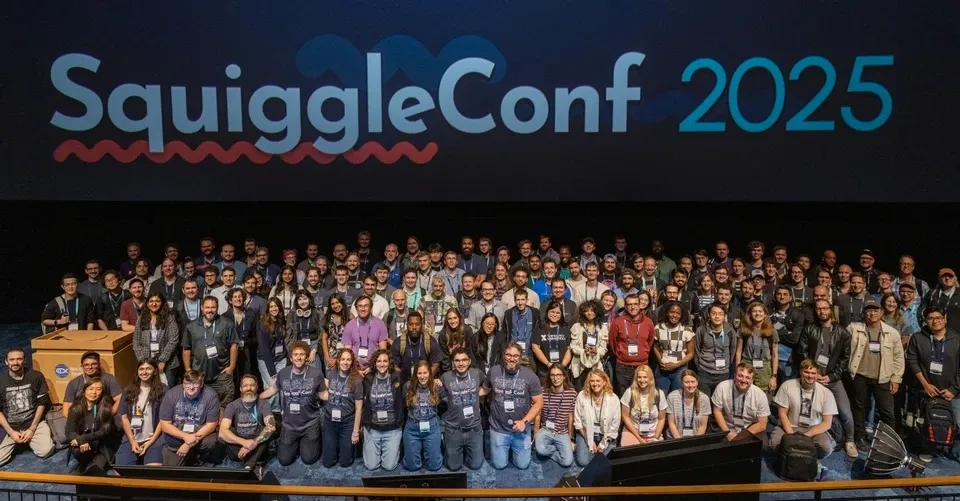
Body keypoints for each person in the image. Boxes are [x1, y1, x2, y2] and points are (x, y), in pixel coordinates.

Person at [796, 299, 857, 458]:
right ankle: (804, 437)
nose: (822, 311)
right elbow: (802, 352)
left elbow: (845, 359)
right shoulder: (809, 329)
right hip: (811, 379)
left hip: (832, 379)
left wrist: (832, 376)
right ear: (815, 311)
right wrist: (811, 374)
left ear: (830, 310)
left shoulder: (842, 332)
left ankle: (850, 441)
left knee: (845, 412)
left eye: (825, 308)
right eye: (819, 309)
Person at [847, 297, 904, 451]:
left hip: (883, 377)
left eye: (875, 310)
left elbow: (898, 357)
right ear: (864, 312)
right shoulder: (853, 328)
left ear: (881, 312)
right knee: (859, 407)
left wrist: (896, 378)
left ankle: (887, 441)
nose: (872, 313)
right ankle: (859, 437)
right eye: (869, 310)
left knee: (887, 412)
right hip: (859, 375)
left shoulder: (892, 333)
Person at [259, 341, 326, 466]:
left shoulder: (316, 373)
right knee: (284, 461)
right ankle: (298, 443)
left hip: (310, 424)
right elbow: (274, 389)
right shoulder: (283, 373)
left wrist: (340, 395)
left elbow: (323, 394)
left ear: (306, 356)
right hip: (290, 425)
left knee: (309, 459)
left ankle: (308, 442)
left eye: (301, 354)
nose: (299, 357)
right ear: (290, 358)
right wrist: (258, 397)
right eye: (295, 354)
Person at [905, 306, 960, 457]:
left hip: (952, 392)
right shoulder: (918, 337)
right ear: (925, 321)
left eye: (938, 318)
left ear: (945, 319)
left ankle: (955, 452)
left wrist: (954, 389)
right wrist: (925, 384)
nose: (935, 321)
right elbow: (912, 360)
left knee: (956, 423)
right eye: (930, 318)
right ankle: (927, 449)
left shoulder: (956, 340)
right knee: (925, 422)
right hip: (927, 390)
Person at [483, 342, 544, 470]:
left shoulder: (530, 376)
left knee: (523, 465)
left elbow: (539, 402)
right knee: (499, 465)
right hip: (499, 429)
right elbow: (484, 391)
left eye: (515, 356)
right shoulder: (494, 371)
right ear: (504, 356)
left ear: (520, 357)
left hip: (521, 430)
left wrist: (524, 421)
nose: (512, 358)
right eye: (508, 355)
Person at [770, 359, 838, 460]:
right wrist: (792, 437)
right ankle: (788, 459)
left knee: (826, 448)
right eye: (806, 372)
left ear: (817, 374)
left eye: (813, 373)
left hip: (813, 430)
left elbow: (827, 423)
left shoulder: (826, 393)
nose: (810, 376)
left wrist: (805, 437)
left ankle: (809, 459)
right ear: (801, 371)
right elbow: (782, 415)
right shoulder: (787, 386)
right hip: (790, 426)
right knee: (774, 445)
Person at [0, 347, 55, 467]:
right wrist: (11, 432)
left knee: (46, 451)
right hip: (10, 427)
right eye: (12, 359)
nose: (15, 362)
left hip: (33, 423)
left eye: (19, 359)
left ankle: (27, 440)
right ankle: (20, 441)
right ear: (6, 362)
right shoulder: (1, 381)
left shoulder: (36, 376)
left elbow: (42, 403)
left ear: (24, 360)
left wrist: (32, 429)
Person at [182, 296, 239, 407]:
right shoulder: (191, 326)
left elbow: (234, 345)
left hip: (222, 373)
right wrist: (188, 369)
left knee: (224, 403)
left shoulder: (227, 324)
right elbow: (186, 348)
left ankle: (222, 424)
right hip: (199, 373)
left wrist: (232, 367)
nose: (210, 310)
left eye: (213, 307)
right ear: (202, 308)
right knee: (199, 404)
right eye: (207, 307)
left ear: (217, 308)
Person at [157, 369, 222, 466]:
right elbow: (165, 424)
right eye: (187, 383)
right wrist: (185, 437)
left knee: (212, 441)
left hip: (199, 435)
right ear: (183, 384)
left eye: (195, 383)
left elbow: (211, 425)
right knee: (170, 472)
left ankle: (198, 456)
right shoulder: (171, 394)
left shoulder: (211, 395)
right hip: (177, 437)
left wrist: (188, 444)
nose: (191, 387)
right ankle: (189, 456)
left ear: (201, 383)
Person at [439, 348, 488, 471]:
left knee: (476, 465)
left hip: (474, 429)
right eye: (457, 361)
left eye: (464, 360)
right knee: (453, 467)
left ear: (469, 361)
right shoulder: (446, 377)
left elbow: (488, 386)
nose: (461, 364)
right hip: (453, 429)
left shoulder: (477, 373)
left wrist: (475, 395)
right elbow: (437, 393)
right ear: (453, 362)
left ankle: (467, 453)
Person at [115, 359, 166, 466]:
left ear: (155, 371)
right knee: (121, 472)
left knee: (153, 472)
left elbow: (163, 420)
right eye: (141, 369)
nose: (144, 372)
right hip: (131, 439)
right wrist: (132, 441)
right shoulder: (128, 390)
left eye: (148, 369)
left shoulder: (163, 390)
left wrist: (151, 442)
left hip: (154, 440)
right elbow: (124, 417)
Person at [218, 374, 275, 469]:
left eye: (252, 385)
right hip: (238, 446)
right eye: (245, 385)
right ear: (240, 389)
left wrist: (253, 443)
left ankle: (249, 465)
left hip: (256, 445)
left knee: (266, 430)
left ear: (257, 387)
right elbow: (222, 432)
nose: (249, 388)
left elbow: (271, 427)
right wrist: (244, 443)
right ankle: (253, 463)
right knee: (227, 431)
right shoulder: (232, 405)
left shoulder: (264, 404)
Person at [361, 349, 405, 471]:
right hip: (372, 428)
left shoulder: (397, 377)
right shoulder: (368, 378)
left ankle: (394, 446)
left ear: (389, 362)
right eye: (379, 361)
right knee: (371, 466)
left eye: (385, 361)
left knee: (389, 466)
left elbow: (413, 384)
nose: (382, 364)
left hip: (392, 428)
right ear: (374, 363)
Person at [65, 378, 118, 475]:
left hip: (100, 447)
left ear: (102, 392)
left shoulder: (105, 408)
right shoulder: (75, 409)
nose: (94, 392)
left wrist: (84, 438)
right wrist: (81, 441)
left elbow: (104, 431)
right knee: (81, 466)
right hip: (81, 447)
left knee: (99, 470)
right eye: (90, 389)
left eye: (98, 389)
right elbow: (69, 432)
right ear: (84, 390)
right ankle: (83, 469)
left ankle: (85, 469)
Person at [322, 348, 364, 468]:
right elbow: (329, 393)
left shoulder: (357, 380)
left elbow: (359, 409)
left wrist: (355, 432)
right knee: (328, 463)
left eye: (348, 360)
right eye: (343, 359)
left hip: (347, 421)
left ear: (352, 362)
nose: (345, 362)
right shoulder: (332, 374)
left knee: (345, 462)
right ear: (338, 360)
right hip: (330, 419)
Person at [711, 363, 771, 446]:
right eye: (740, 376)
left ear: (752, 380)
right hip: (727, 426)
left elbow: (762, 424)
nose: (743, 380)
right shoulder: (722, 387)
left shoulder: (760, 395)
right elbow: (717, 411)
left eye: (747, 377)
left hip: (749, 428)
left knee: (763, 445)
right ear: (735, 375)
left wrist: (739, 438)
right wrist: (727, 433)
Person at [402, 360, 445, 471]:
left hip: (432, 427)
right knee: (412, 467)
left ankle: (433, 453)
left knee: (434, 466)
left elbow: (445, 403)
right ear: (415, 374)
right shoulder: (408, 386)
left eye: (425, 373)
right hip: (412, 428)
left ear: (430, 373)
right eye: (419, 373)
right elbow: (403, 404)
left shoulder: (437, 386)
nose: (422, 376)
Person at [574, 368, 621, 466]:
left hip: (606, 435)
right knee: (583, 462)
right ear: (589, 382)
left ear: (604, 382)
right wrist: (589, 441)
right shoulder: (581, 396)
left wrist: (603, 444)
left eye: (598, 381)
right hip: (585, 433)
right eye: (592, 381)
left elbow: (615, 425)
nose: (595, 384)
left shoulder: (613, 398)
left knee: (603, 462)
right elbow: (578, 421)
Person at [534, 363, 577, 467]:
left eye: (558, 375)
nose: (555, 378)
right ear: (549, 377)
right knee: (540, 450)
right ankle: (554, 449)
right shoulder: (542, 391)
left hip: (562, 432)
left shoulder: (571, 393)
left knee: (567, 462)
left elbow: (570, 417)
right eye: (553, 375)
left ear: (563, 377)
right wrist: (535, 434)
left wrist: (571, 438)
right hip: (545, 429)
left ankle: (555, 449)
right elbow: (538, 414)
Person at [133, 293, 180, 386]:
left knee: (168, 391)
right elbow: (136, 341)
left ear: (162, 303)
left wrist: (163, 360)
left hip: (168, 364)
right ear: (147, 303)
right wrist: (144, 361)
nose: (154, 304)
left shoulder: (169, 318)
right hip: (147, 362)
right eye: (151, 301)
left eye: (157, 301)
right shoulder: (141, 319)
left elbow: (173, 339)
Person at [736, 302, 780, 393]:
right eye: (754, 311)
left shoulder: (772, 330)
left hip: (765, 368)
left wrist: (774, 376)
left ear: (765, 314)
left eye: (760, 311)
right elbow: (738, 351)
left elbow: (775, 355)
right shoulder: (743, 329)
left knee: (763, 399)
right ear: (750, 314)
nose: (757, 314)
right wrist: (737, 370)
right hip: (746, 365)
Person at [62, 351, 123, 416]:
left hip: (104, 416)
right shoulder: (74, 383)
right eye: (86, 365)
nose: (90, 367)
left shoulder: (109, 379)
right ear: (82, 366)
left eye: (94, 364)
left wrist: (109, 414)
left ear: (99, 365)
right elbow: (66, 409)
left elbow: (119, 398)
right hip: (82, 419)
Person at [620, 365, 668, 445]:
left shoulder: (659, 394)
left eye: (645, 377)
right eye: (639, 377)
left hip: (653, 433)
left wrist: (656, 438)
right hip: (632, 432)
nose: (642, 380)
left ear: (650, 378)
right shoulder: (629, 392)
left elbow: (661, 419)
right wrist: (638, 438)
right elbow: (625, 416)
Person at [569, 300, 609, 391]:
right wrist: (583, 351)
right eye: (586, 311)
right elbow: (573, 347)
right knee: (579, 392)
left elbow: (603, 349)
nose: (589, 313)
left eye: (592, 310)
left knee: (595, 391)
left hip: (595, 365)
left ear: (597, 311)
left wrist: (596, 351)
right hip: (579, 366)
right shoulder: (577, 326)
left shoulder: (602, 328)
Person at [665, 370, 711, 438]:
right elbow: (671, 424)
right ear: (681, 383)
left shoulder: (704, 398)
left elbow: (702, 426)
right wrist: (679, 442)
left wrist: (694, 443)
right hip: (675, 439)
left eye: (693, 382)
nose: (690, 385)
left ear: (697, 382)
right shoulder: (672, 397)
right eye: (687, 382)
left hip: (695, 440)